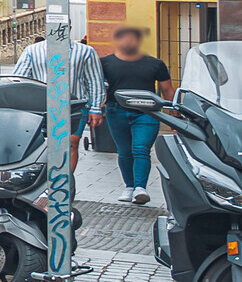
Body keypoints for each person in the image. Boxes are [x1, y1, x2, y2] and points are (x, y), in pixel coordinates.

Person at [10, 33, 106, 172]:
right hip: (41, 106)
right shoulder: (32, 50)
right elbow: (19, 78)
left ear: (70, 27)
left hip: (75, 105)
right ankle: (42, 179)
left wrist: (96, 108)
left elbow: (94, 80)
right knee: (40, 144)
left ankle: (66, 182)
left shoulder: (85, 51)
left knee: (72, 142)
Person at [101, 27, 172, 204]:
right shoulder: (105, 63)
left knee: (141, 149)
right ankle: (129, 186)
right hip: (116, 111)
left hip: (147, 113)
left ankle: (140, 188)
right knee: (124, 151)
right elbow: (97, 86)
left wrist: (175, 116)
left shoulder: (155, 64)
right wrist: (95, 107)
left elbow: (167, 90)